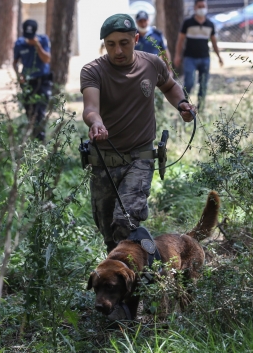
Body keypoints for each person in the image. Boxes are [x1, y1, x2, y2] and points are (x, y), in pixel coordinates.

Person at [81, 14, 196, 252]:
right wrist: (96, 123)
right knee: (110, 235)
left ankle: (147, 268)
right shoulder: (93, 71)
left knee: (125, 221)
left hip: (139, 158)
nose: (118, 50)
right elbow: (91, 108)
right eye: (111, 44)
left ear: (136, 38)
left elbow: (170, 86)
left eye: (124, 43)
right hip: (104, 162)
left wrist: (182, 104)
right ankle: (122, 276)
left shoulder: (152, 63)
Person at [173, 0, 224, 106]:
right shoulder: (188, 23)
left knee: (203, 84)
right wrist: (177, 56)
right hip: (189, 58)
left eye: (203, 6)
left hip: (205, 58)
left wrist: (219, 57)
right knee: (189, 83)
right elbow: (180, 40)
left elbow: (214, 42)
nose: (202, 9)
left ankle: (200, 108)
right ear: (195, 8)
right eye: (199, 6)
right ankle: (183, 106)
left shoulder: (210, 24)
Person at [13, 19, 52, 141]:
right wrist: (19, 76)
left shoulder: (43, 40)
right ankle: (32, 139)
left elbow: (47, 59)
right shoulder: (19, 44)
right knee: (30, 111)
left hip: (43, 81)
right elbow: (14, 62)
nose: (29, 39)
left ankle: (41, 142)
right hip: (28, 82)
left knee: (40, 111)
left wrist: (37, 46)